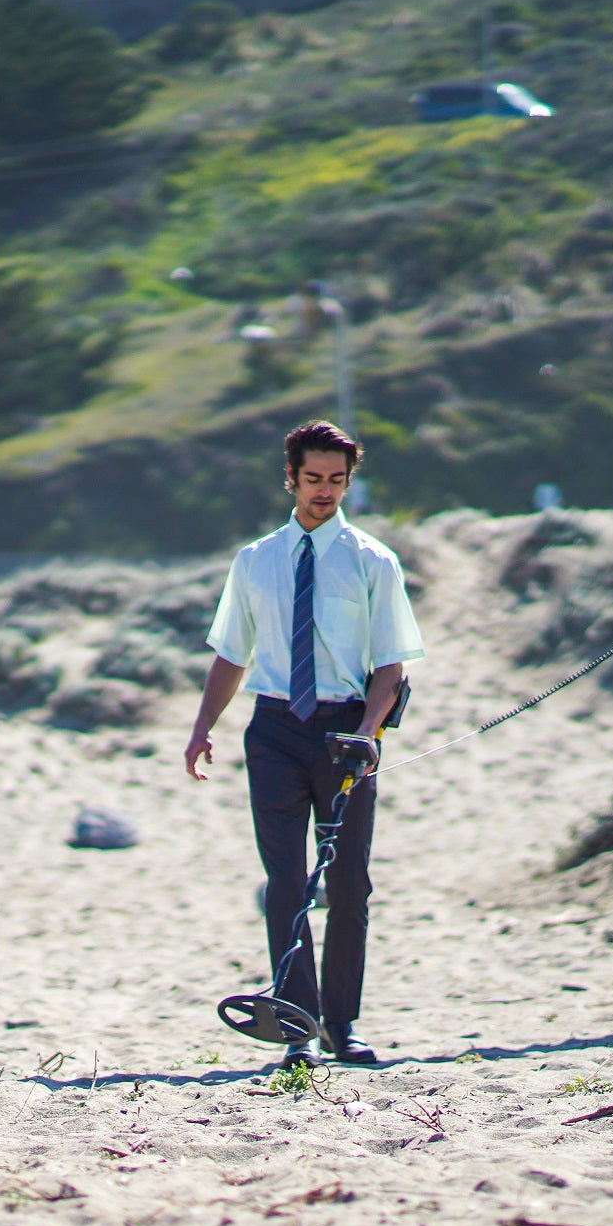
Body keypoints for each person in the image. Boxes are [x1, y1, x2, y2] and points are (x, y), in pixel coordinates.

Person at [184, 421, 423, 1068]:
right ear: (290, 477)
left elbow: (391, 666)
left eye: (337, 480)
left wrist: (367, 736)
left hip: (348, 731)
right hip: (274, 732)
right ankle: (297, 1023)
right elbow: (232, 653)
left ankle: (343, 1024)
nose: (325, 491)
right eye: (314, 479)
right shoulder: (255, 560)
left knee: (348, 884)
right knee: (285, 880)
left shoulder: (374, 560)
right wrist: (204, 725)